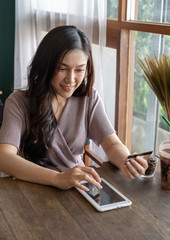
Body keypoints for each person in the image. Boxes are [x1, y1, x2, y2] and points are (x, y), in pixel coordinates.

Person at [0, 25, 148, 191]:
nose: (71, 79)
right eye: (62, 68)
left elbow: (112, 144)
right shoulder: (18, 102)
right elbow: (4, 157)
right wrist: (57, 178)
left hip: (75, 188)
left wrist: (126, 161)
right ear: (46, 65)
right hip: (31, 188)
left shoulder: (89, 99)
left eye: (79, 70)